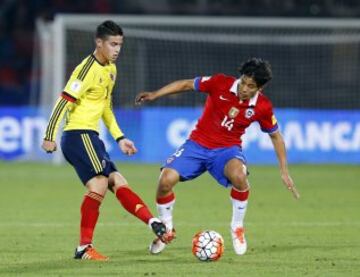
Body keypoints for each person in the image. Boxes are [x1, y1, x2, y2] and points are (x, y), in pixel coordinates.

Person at [135, 57, 300, 256]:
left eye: (251, 86)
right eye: (244, 82)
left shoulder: (262, 106)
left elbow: (276, 136)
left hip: (227, 150)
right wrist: (155, 95)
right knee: (165, 180)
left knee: (240, 176)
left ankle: (237, 227)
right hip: (197, 144)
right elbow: (187, 84)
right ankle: (167, 229)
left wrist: (284, 171)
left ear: (260, 89)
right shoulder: (220, 82)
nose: (245, 89)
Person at [41, 20, 170, 261]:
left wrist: (120, 137)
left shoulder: (111, 69)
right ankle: (84, 248)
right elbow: (63, 101)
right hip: (78, 134)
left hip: (92, 137)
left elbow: (106, 107)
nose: (117, 49)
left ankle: (152, 222)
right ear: (99, 43)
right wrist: (49, 135)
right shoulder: (85, 70)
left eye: (120, 44)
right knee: (100, 183)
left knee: (117, 181)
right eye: (112, 44)